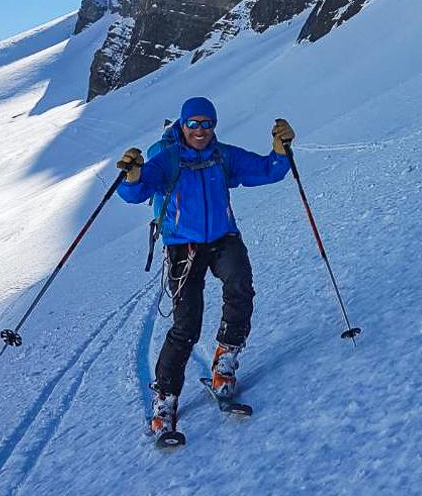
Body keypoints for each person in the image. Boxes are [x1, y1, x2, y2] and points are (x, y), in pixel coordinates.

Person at [116, 96, 294, 437]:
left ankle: (225, 359)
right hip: (183, 247)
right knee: (186, 326)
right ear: (183, 125)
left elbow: (264, 170)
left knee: (240, 285)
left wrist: (281, 152)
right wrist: (132, 177)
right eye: (194, 124)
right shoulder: (167, 159)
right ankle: (165, 398)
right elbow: (137, 193)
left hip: (224, 237)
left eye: (207, 124)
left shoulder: (222, 155)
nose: (200, 130)